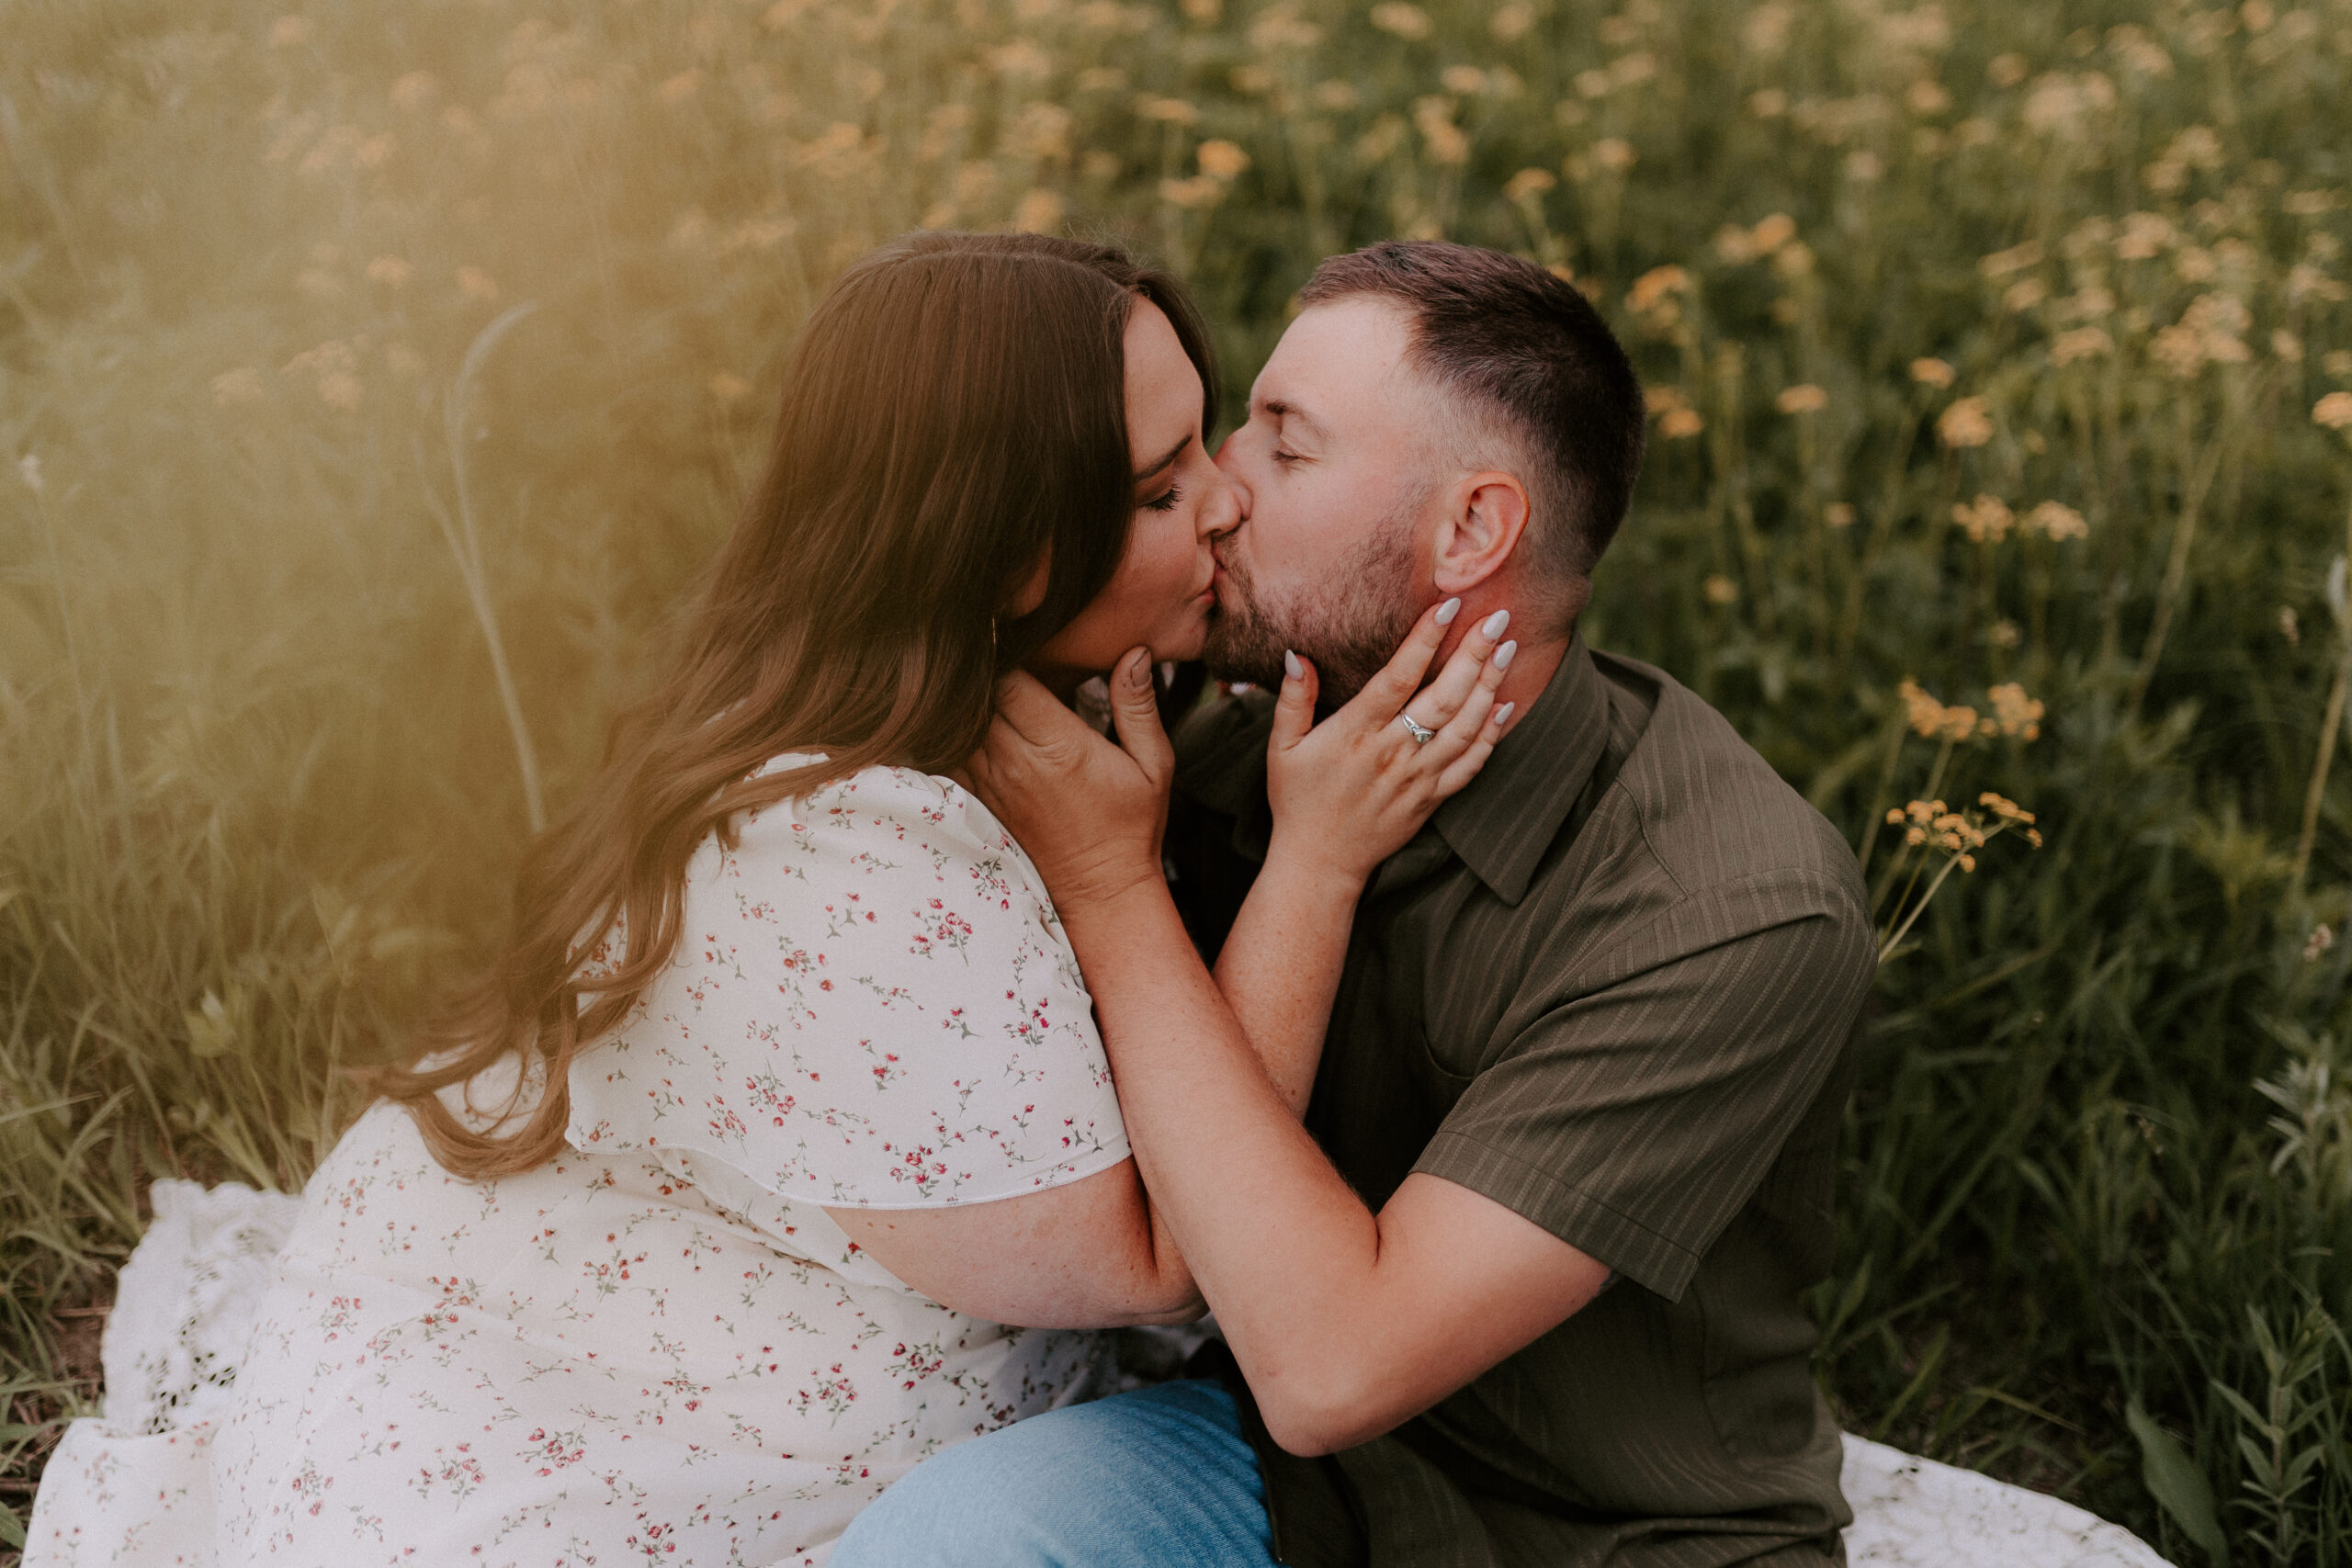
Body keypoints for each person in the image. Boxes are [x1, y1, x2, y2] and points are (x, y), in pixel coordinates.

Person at [178, 233, 1510, 1567]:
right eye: (1161, 491)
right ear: (999, 557)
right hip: (613, 1416)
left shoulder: (994, 706)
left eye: (1207, 446)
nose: (1226, 503)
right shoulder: (848, 848)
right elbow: (1171, 1254)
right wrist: (1316, 865)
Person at [832, 241, 1877, 1568]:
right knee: (954, 1542)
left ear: (1471, 531)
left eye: (1285, 447)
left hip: (1619, 1537)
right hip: (1278, 1480)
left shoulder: (1727, 913)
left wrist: (1112, 892)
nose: (1218, 494)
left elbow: (1333, 1371)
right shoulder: (1211, 751)